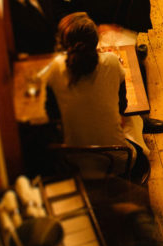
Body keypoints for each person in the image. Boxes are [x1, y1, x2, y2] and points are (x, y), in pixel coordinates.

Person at [45, 13, 146, 157]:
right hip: (117, 157)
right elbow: (123, 107)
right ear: (96, 41)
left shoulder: (56, 68)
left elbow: (53, 114)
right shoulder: (111, 61)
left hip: (73, 162)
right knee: (133, 125)